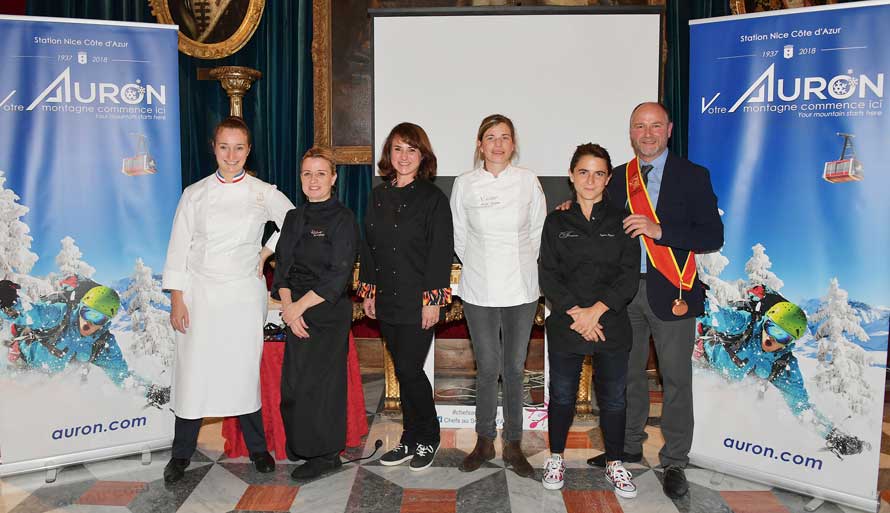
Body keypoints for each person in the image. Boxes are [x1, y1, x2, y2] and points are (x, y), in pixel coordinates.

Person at [582, 102, 724, 499]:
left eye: (655, 126)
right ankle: (627, 445)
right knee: (626, 374)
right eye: (639, 126)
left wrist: (659, 229)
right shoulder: (618, 178)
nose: (647, 133)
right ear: (631, 132)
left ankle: (675, 459)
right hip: (623, 292)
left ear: (669, 129)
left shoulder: (693, 176)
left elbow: (712, 236)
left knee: (676, 379)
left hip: (673, 289)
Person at [162, 116, 295, 484]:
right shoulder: (195, 193)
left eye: (239, 147)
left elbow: (295, 221)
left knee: (241, 372)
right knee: (194, 374)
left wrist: (267, 251)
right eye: (224, 147)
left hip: (241, 295)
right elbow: (178, 248)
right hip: (199, 295)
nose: (231, 155)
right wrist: (177, 297)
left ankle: (257, 449)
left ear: (248, 149)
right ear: (214, 148)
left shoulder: (261, 191)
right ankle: (180, 454)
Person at [539, 143, 641, 496]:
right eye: (583, 172)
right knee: (562, 395)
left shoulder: (623, 221)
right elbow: (548, 275)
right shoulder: (556, 221)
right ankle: (556, 458)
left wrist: (596, 311)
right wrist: (577, 313)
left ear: (608, 179)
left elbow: (628, 276)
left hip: (610, 323)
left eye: (599, 173)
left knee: (614, 399)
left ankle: (615, 462)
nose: (590, 180)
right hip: (567, 323)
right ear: (571, 175)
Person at [450, 114, 546, 477]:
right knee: (487, 367)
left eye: (505, 137)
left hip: (521, 288)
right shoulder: (465, 184)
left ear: (513, 144)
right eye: (491, 137)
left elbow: (537, 231)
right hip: (478, 288)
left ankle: (515, 443)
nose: (498, 144)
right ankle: (484, 439)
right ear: (480, 144)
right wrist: (478, 265)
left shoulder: (527, 182)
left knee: (514, 369)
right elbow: (459, 235)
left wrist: (522, 264)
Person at [357, 122, 453, 471]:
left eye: (412, 150)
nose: (404, 156)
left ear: (422, 155)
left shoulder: (433, 199)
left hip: (418, 300)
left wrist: (433, 300)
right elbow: (369, 248)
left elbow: (440, 253)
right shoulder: (378, 195)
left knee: (410, 370)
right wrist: (368, 291)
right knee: (403, 369)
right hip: (387, 299)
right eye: (398, 148)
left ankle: (428, 435)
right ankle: (410, 439)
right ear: (389, 153)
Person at [696, 285, 868, 458]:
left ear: (789, 342)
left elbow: (802, 408)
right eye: (772, 329)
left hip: (731, 391)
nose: (772, 338)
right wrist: (693, 295)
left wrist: (834, 436)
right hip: (701, 366)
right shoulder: (741, 324)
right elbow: (711, 313)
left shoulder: (782, 364)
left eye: (782, 336)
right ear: (765, 322)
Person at [272, 146, 359, 479]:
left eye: (321, 173)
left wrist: (297, 308)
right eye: (307, 173)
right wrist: (288, 308)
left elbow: (338, 276)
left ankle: (326, 455)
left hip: (325, 312)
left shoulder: (343, 218)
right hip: (294, 311)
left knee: (321, 387)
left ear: (333, 178)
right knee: (294, 385)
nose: (313, 180)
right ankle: (302, 446)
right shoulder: (294, 217)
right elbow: (282, 267)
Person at [0, 278, 168, 407]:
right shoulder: (59, 315)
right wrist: (9, 302)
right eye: (88, 313)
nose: (89, 323)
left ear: (106, 322)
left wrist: (152, 393)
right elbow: (31, 313)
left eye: (98, 318)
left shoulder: (102, 344)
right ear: (81, 307)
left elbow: (123, 377)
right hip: (19, 367)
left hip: (49, 385)